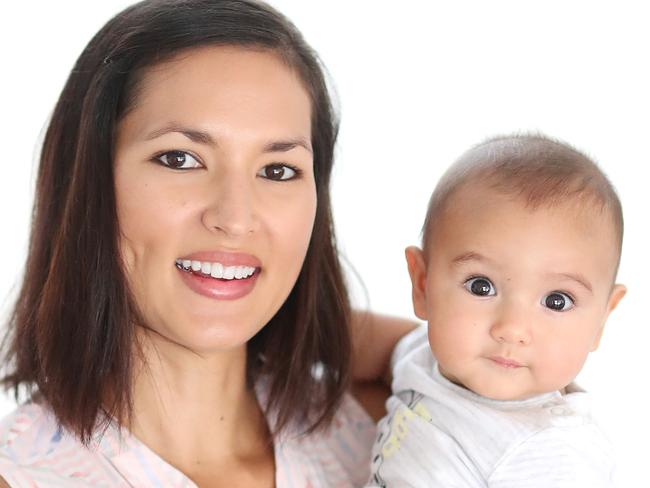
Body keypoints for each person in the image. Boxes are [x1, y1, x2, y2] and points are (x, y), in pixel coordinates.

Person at [0, 1, 414, 486]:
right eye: (180, 159)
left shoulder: (393, 433)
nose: (235, 219)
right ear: (87, 179)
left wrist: (377, 345)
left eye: (278, 170)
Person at [369, 134, 627, 487]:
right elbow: (345, 339)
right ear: (423, 285)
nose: (512, 329)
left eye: (556, 301)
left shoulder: (554, 454)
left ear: (602, 317)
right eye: (481, 286)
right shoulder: (422, 356)